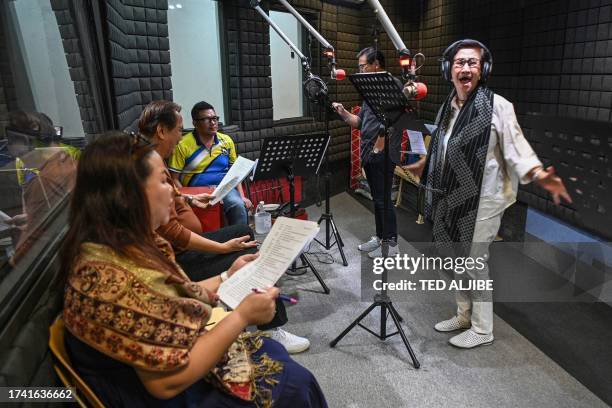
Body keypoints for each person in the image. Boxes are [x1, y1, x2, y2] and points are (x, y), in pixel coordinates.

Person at [59, 132, 328, 407]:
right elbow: (165, 383)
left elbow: (172, 296)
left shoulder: (122, 245)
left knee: (276, 354)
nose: (175, 192)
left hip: (160, 370)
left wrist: (228, 275)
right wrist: (242, 316)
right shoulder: (111, 279)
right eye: (164, 181)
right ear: (128, 195)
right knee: (296, 383)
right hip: (161, 395)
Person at [406, 39, 572, 349]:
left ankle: (483, 329)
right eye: (459, 62)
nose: (465, 68)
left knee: (473, 261)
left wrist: (539, 176)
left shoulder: (498, 106)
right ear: (448, 69)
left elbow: (517, 149)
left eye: (472, 62)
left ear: (483, 70)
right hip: (452, 194)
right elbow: (444, 145)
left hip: (486, 198)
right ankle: (464, 313)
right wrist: (425, 162)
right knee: (456, 258)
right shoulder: (447, 108)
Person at [139, 101, 310, 354]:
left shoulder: (154, 161)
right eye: (178, 129)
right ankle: (271, 330)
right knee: (247, 256)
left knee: (245, 233)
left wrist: (189, 199)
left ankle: (243, 298)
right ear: (162, 131)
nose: (180, 135)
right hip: (180, 259)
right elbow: (174, 233)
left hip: (187, 244)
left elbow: (173, 196)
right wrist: (221, 247)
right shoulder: (149, 166)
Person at [332, 47, 401, 259]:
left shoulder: (391, 85)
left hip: (384, 151)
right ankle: (381, 238)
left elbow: (393, 120)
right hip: (369, 151)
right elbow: (361, 123)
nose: (360, 70)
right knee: (377, 199)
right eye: (360, 66)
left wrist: (378, 147)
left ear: (376, 65)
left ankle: (391, 244)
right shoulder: (369, 90)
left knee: (383, 199)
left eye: (363, 66)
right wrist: (343, 113)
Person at [169, 101, 252, 226]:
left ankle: (241, 242)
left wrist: (242, 196)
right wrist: (185, 199)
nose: (213, 123)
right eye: (207, 119)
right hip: (195, 192)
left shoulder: (226, 141)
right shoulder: (182, 145)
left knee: (238, 205)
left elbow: (235, 172)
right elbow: (174, 179)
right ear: (195, 123)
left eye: (215, 118)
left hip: (223, 189)